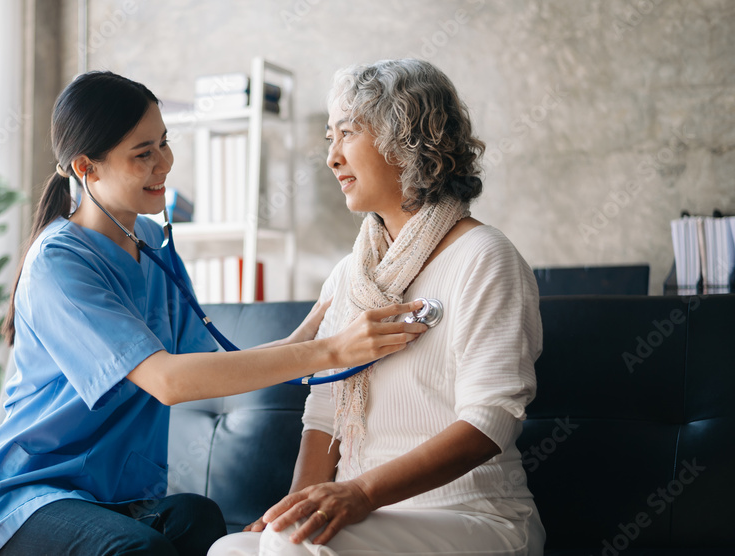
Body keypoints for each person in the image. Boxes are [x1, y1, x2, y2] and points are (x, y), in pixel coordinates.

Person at [0, 71, 427, 556]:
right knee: (142, 550)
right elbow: (169, 381)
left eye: (164, 144)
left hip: (110, 499)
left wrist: (305, 341)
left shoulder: (156, 250)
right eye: (143, 154)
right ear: (86, 168)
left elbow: (207, 369)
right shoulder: (60, 263)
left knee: (201, 518)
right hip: (26, 499)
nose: (165, 164)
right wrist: (325, 351)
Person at [208, 59, 546, 556]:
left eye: (347, 132)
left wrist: (361, 492)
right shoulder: (350, 274)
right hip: (368, 521)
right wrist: (298, 506)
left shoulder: (485, 257)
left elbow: (490, 421)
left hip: (472, 517)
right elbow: (324, 413)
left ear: (407, 140)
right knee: (230, 551)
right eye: (330, 137)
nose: (332, 158)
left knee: (284, 546)